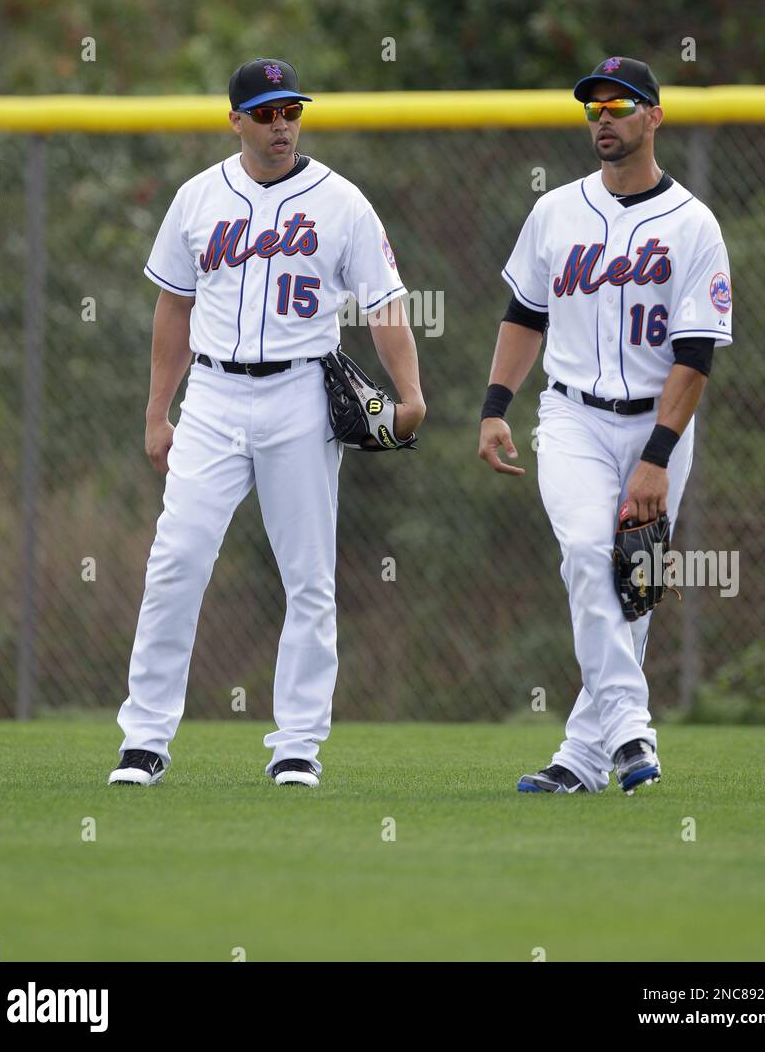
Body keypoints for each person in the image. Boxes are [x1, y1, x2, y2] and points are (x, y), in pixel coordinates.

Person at [109, 58, 425, 788]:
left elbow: (384, 304)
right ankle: (145, 739)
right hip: (213, 398)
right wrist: (158, 412)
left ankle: (297, 746)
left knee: (309, 578)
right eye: (267, 113)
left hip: (301, 395)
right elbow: (173, 308)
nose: (282, 125)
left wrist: (409, 392)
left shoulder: (342, 201)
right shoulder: (196, 198)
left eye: (292, 111)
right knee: (176, 562)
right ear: (236, 120)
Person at [478, 57, 732, 795]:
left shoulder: (693, 224)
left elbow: (695, 355)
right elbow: (525, 313)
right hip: (569, 416)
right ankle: (630, 730)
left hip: (658, 425)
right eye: (594, 107)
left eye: (621, 105)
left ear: (655, 116)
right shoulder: (556, 210)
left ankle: (581, 761)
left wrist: (657, 457)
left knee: (634, 589)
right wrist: (496, 406)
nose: (604, 117)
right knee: (591, 553)